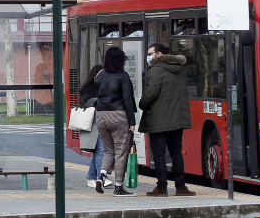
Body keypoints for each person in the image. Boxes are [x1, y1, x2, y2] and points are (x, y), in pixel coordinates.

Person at [139, 42, 195, 197]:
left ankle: (161, 188)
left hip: (159, 120)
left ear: (159, 54)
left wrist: (142, 104)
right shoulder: (180, 69)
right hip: (177, 119)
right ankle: (181, 187)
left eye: (150, 54)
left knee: (159, 154)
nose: (148, 57)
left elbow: (150, 94)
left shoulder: (155, 71)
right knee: (176, 153)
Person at [94, 46, 137, 197]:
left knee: (108, 150)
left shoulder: (100, 76)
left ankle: (101, 176)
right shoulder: (122, 76)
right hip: (118, 116)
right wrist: (132, 122)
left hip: (100, 116)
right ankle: (119, 187)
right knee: (120, 152)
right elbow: (127, 99)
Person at [79, 64, 112, 189]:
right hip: (93, 124)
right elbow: (87, 102)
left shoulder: (107, 86)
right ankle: (101, 177)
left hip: (104, 121)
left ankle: (91, 177)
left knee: (99, 150)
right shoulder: (87, 88)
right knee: (101, 150)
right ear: (95, 74)